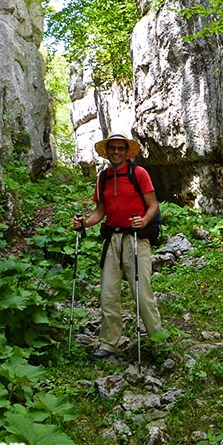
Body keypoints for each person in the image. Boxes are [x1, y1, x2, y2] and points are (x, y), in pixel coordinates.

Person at [73, 132, 165, 360]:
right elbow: (100, 211)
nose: (116, 152)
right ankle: (108, 344)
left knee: (142, 293)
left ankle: (158, 341)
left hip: (136, 239)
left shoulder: (138, 173)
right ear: (107, 152)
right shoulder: (103, 178)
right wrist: (85, 223)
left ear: (126, 152)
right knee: (108, 294)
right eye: (112, 148)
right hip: (113, 240)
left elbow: (153, 204)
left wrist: (144, 220)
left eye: (120, 148)